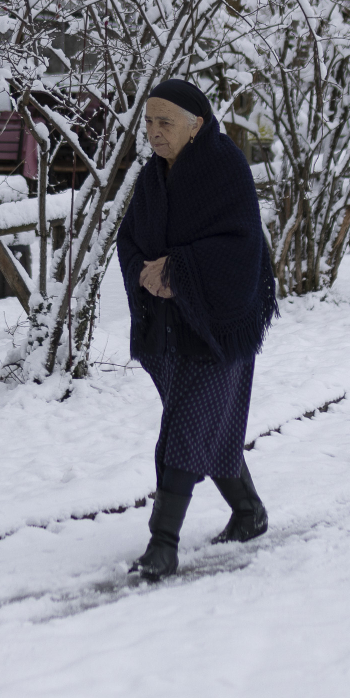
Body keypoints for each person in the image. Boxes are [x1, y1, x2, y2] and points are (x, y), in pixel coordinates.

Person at [116, 78, 276, 581]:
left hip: (220, 323)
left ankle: (162, 544)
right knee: (209, 424)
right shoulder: (151, 176)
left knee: (187, 427)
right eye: (148, 122)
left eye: (165, 122)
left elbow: (240, 246)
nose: (154, 132)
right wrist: (147, 270)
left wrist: (178, 272)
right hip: (167, 327)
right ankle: (249, 512)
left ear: (196, 125)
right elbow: (130, 237)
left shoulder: (224, 169)